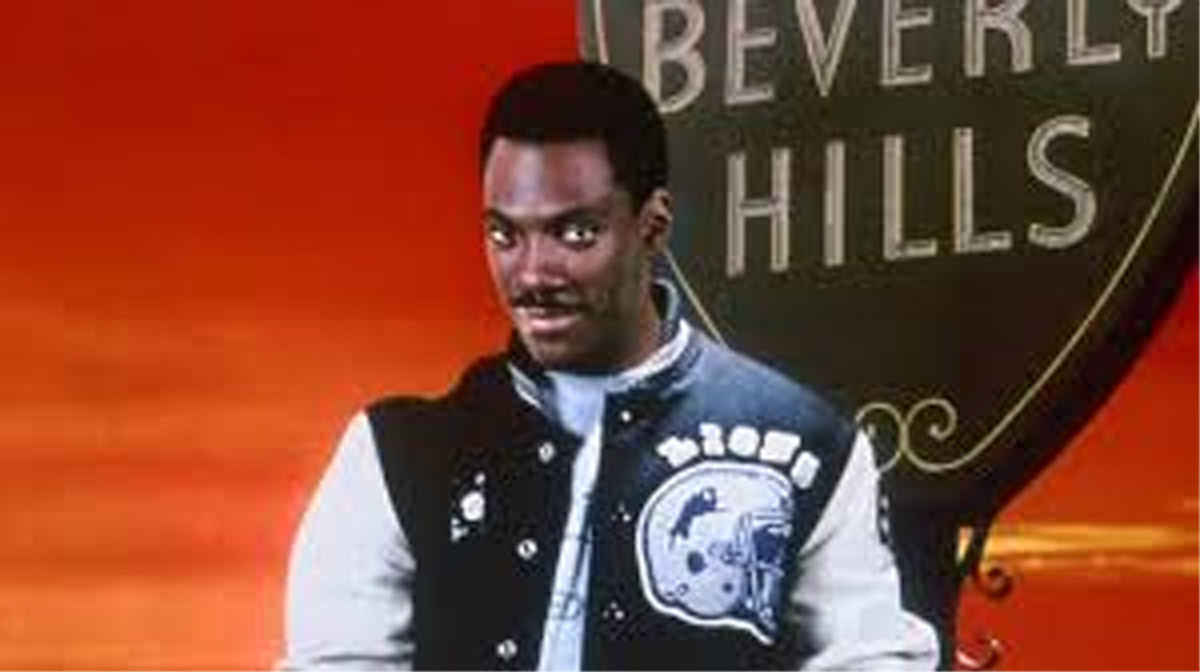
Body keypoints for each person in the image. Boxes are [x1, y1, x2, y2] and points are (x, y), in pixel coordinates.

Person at [280, 61, 939, 671]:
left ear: (653, 225)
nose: (532, 274)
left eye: (575, 233)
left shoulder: (806, 447)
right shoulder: (399, 454)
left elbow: (872, 660)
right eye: (505, 234)